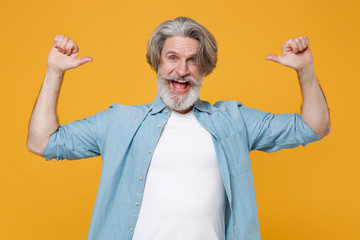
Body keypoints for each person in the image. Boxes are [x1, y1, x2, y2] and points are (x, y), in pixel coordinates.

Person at [27, 17, 330, 240]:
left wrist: (305, 70)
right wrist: (54, 72)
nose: (182, 70)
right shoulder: (120, 121)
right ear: (157, 64)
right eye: (172, 58)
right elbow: (42, 142)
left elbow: (315, 126)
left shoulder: (233, 120)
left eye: (192, 60)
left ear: (205, 67)